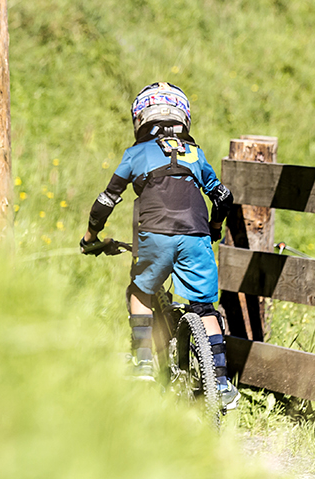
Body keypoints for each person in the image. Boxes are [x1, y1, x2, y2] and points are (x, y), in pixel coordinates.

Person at [80, 81, 239, 408]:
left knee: (140, 290)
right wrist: (214, 228)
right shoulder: (195, 153)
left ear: (141, 119)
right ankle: (222, 383)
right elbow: (223, 197)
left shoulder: (136, 153)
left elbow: (106, 200)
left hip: (155, 234)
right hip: (196, 234)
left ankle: (142, 363)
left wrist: (90, 238)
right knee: (204, 307)